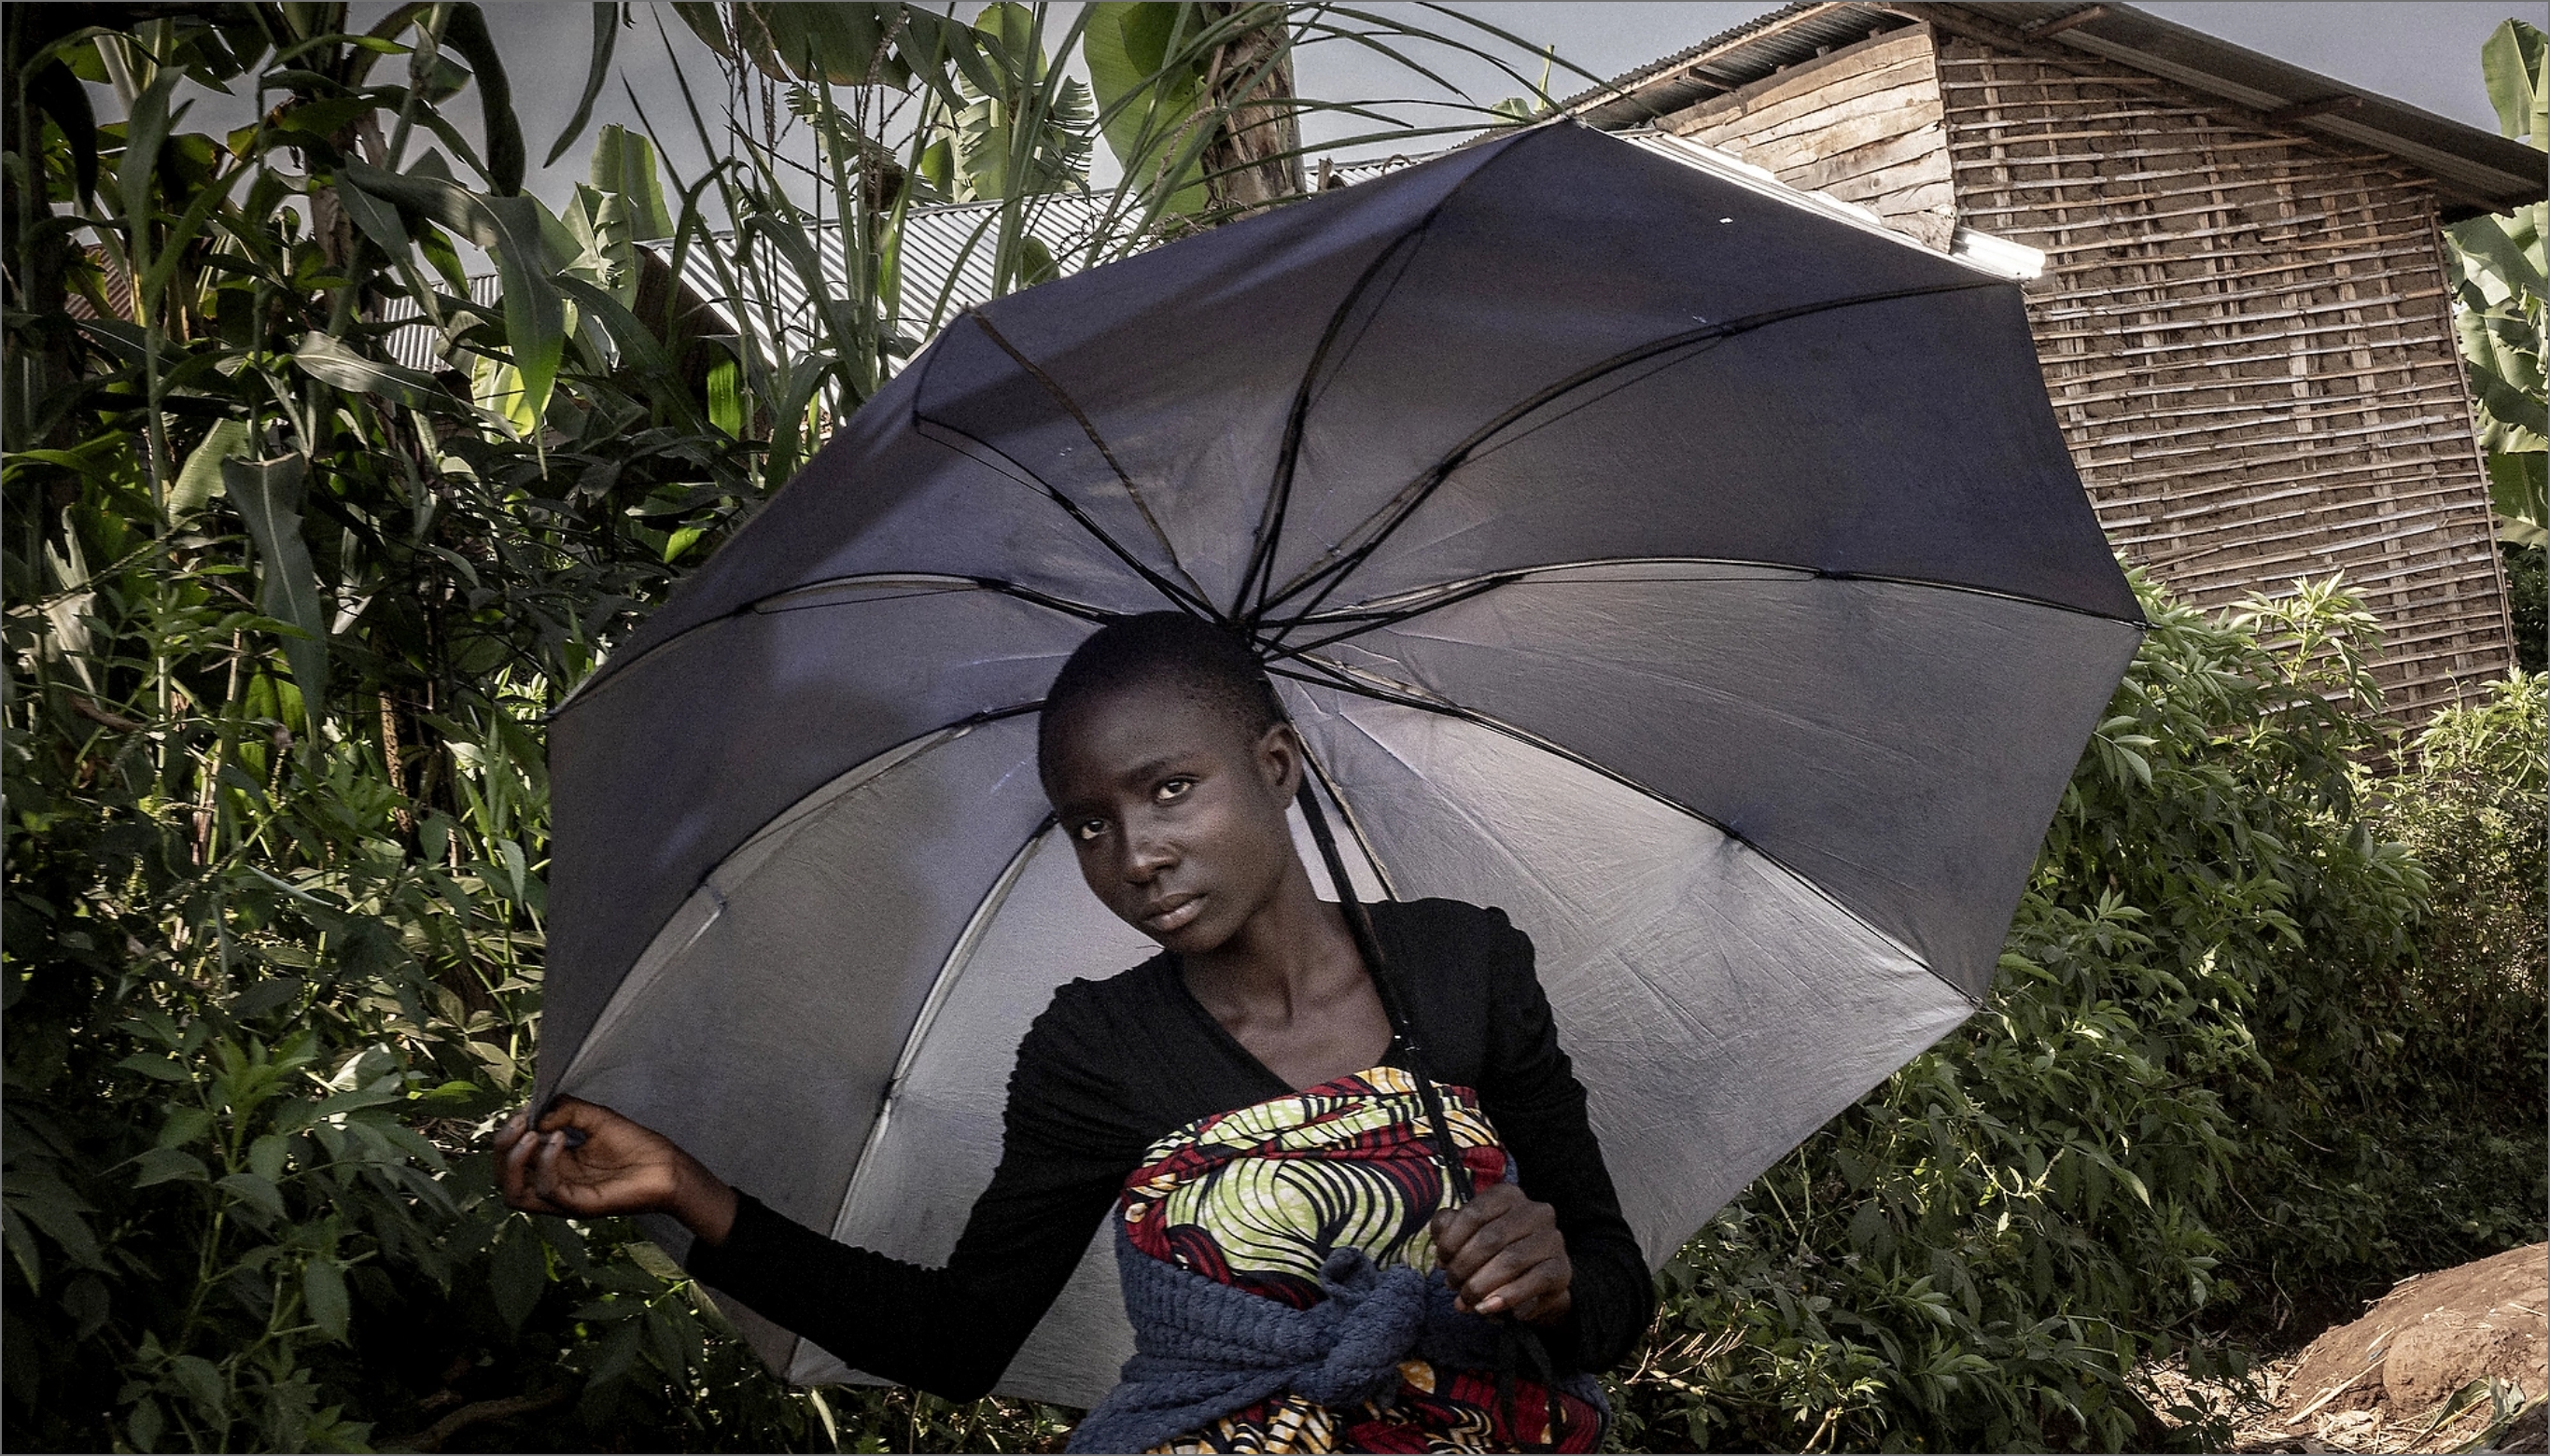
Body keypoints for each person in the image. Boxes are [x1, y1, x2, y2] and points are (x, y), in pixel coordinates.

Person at [496, 612, 1652, 1452]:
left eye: (1167, 791)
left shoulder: (1465, 969)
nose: (1134, 856)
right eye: (1087, 824)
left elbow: (1612, 1294)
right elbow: (958, 1339)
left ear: (1275, 766)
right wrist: (691, 1195)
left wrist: (1553, 1286)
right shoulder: (1095, 1051)